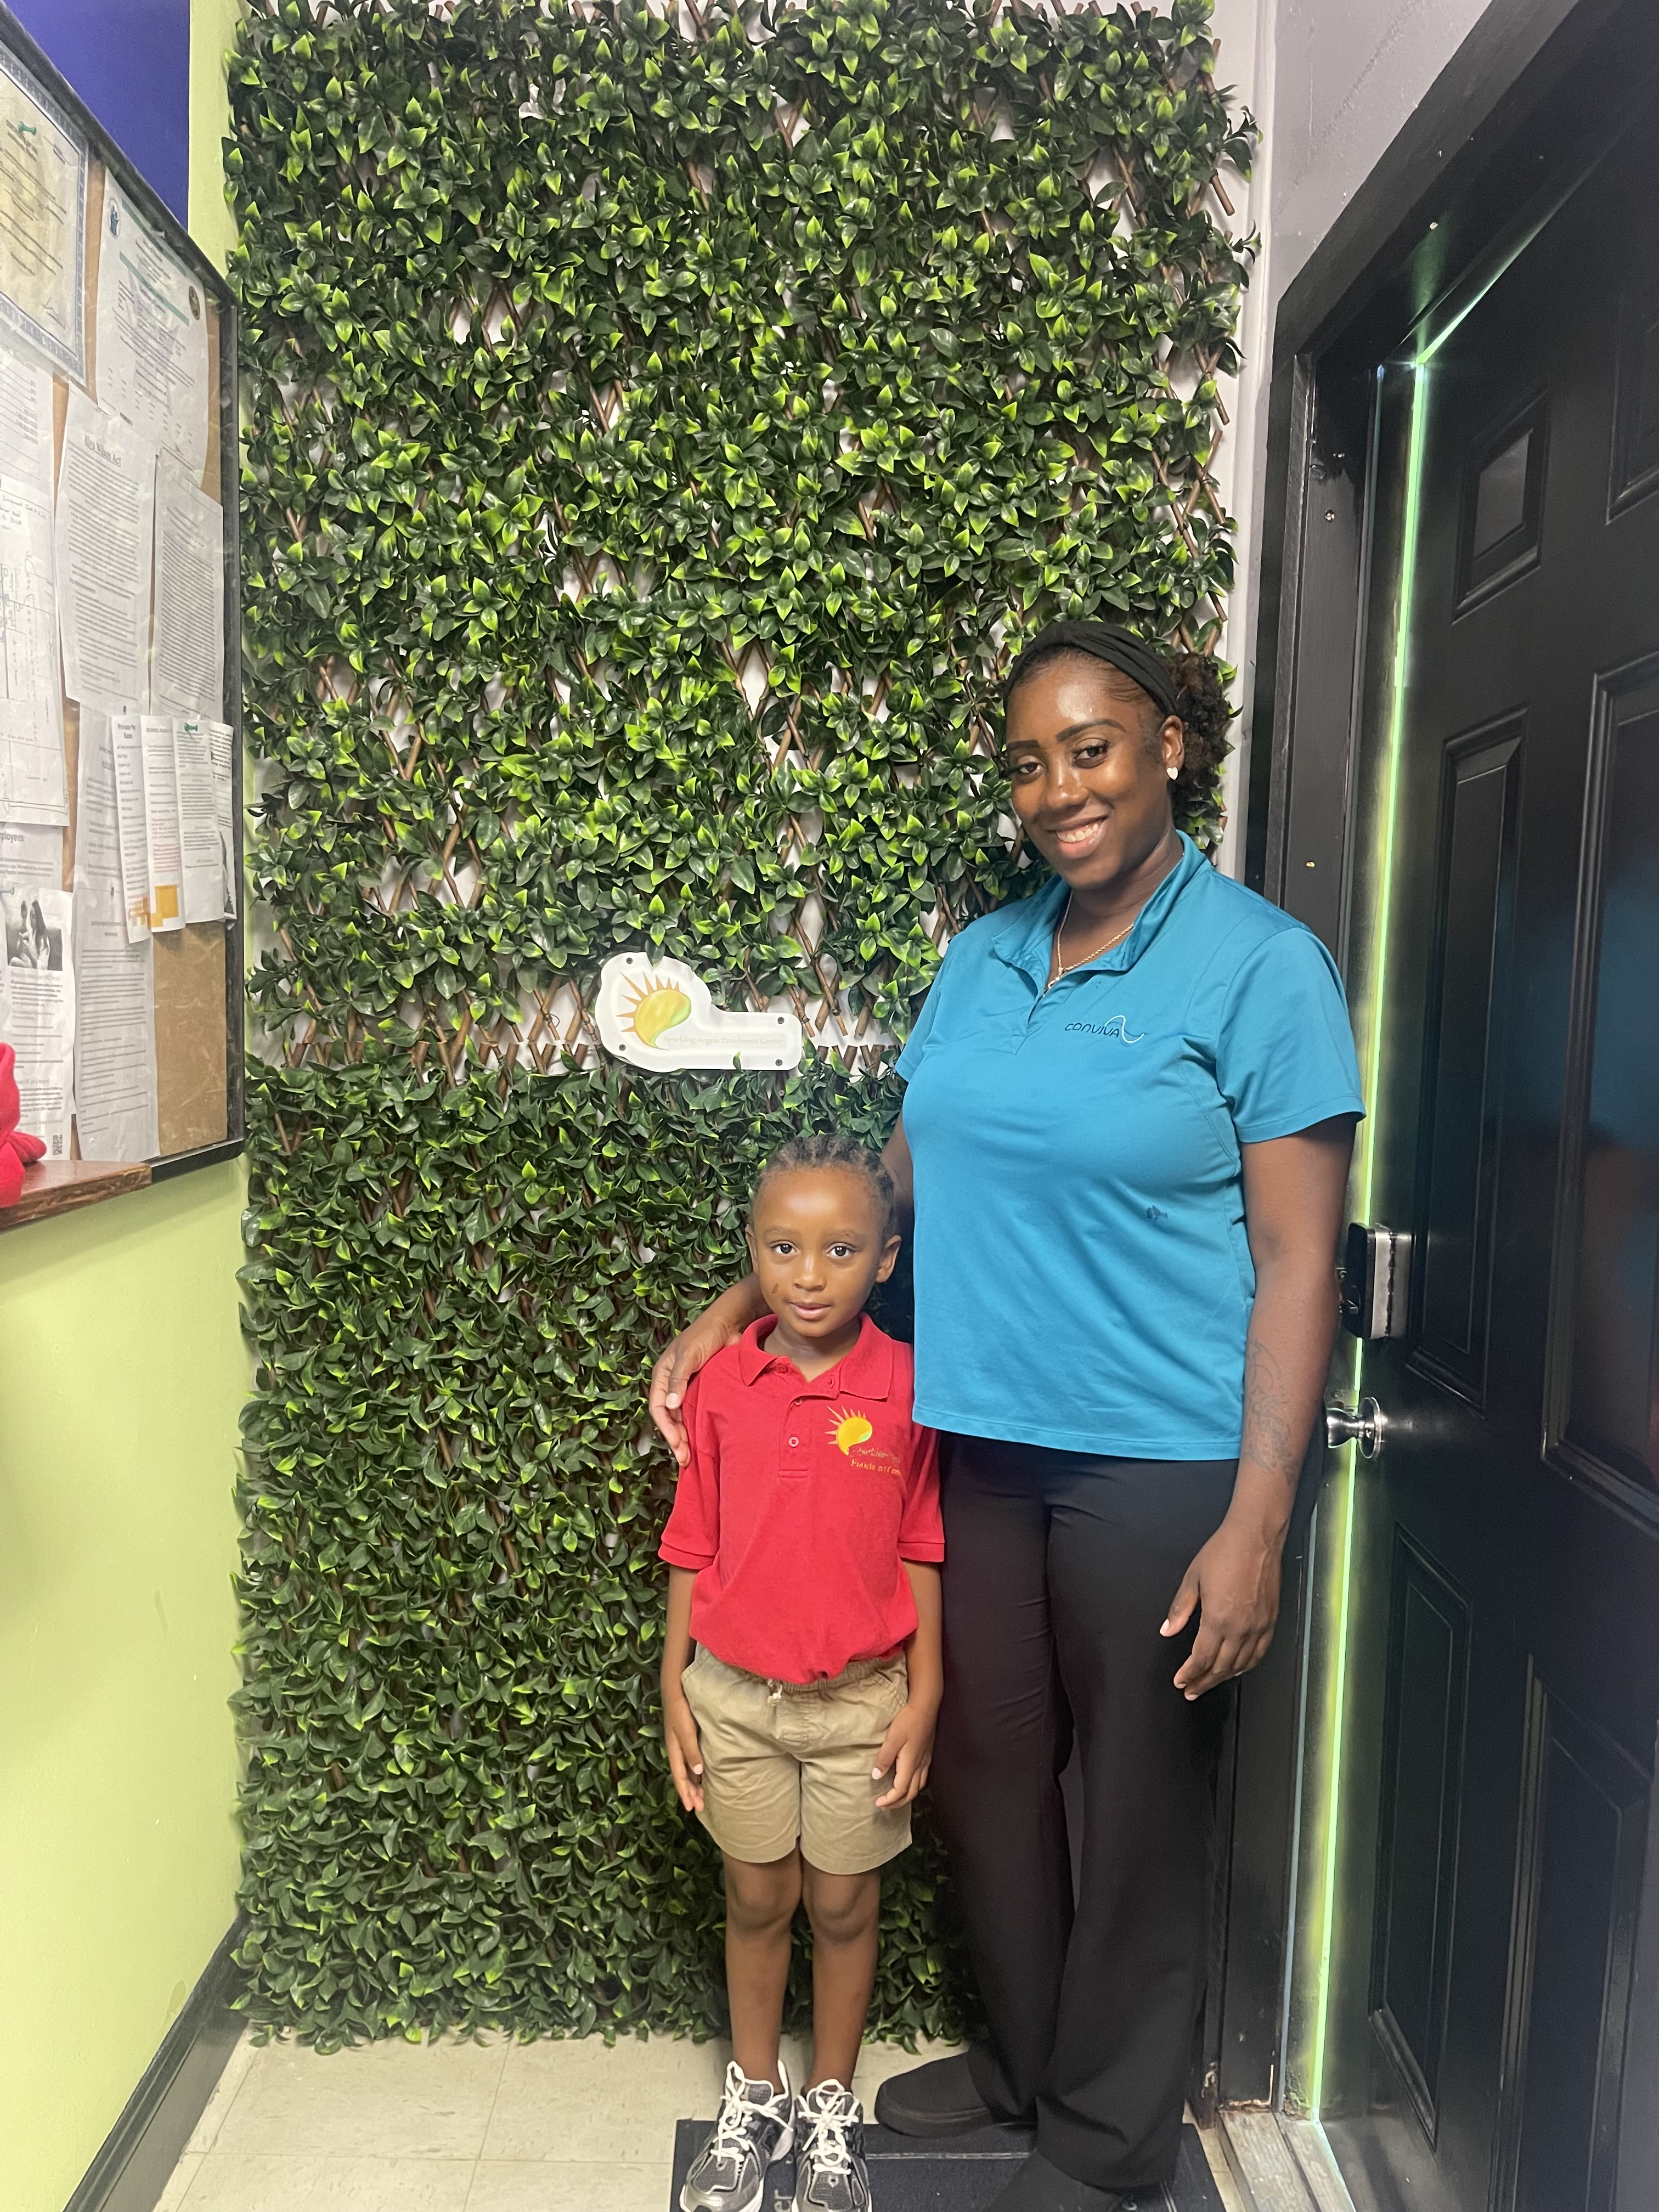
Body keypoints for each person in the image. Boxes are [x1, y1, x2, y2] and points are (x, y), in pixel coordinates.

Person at [651, 623, 1364, 2211]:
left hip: (1158, 1456)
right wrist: (738, 1305)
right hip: (975, 1441)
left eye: (1091, 749)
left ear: (1170, 744)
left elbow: (1299, 1262)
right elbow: (897, 1186)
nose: (1060, 790)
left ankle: (1107, 2140)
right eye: (1031, 764)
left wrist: (1259, 1519)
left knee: (1134, 1797)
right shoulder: (984, 958)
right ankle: (1032, 2060)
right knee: (981, 1766)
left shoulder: (1261, 967)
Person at [660, 1133, 944, 2212]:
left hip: (862, 1708)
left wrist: (928, 1690)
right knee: (755, 1896)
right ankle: (755, 2097)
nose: (809, 1275)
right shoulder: (723, 1386)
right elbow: (692, 1542)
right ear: (753, 1250)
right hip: (733, 1701)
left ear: (887, 1258)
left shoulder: (908, 1387)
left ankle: (829, 2106)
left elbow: (921, 1543)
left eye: (841, 1250)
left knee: (842, 1906)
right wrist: (673, 1686)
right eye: (783, 1248)